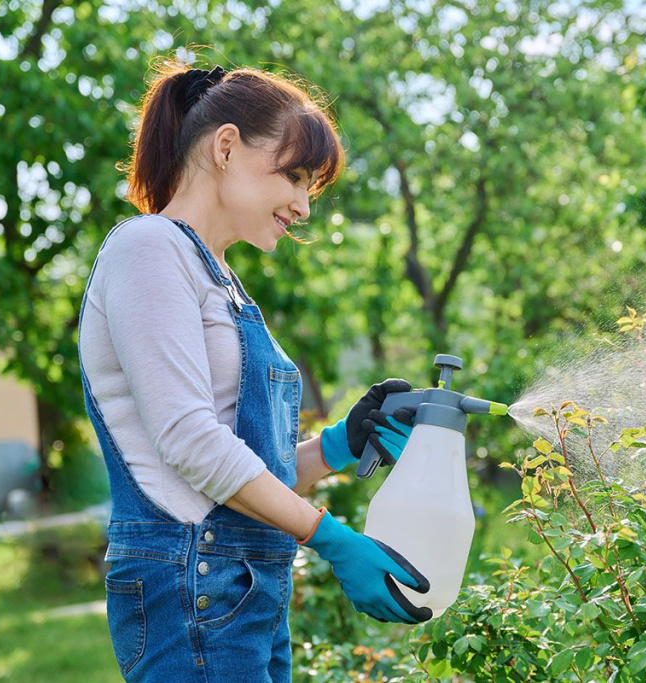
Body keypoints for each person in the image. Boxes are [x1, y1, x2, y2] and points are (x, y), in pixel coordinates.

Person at [77, 61, 429, 683]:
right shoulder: (149, 248)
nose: (303, 207)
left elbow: (233, 472)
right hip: (192, 585)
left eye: (310, 189)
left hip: (237, 589)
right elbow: (189, 442)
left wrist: (337, 447)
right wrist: (331, 538)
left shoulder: (222, 282)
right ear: (226, 147)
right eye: (292, 176)